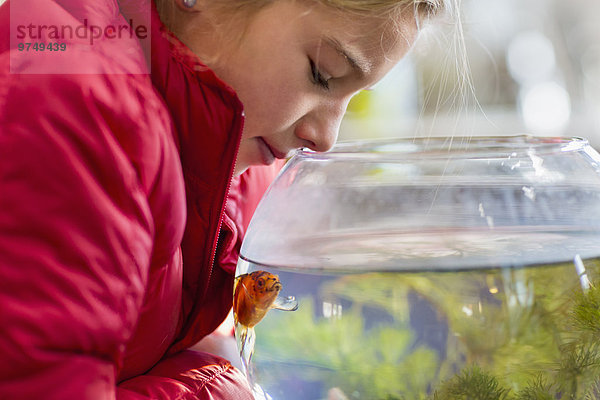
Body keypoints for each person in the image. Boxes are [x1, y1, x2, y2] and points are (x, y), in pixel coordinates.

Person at [0, 0, 450, 398]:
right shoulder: (77, 113)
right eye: (322, 73)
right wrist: (220, 388)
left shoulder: (237, 173)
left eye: (354, 98)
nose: (326, 138)